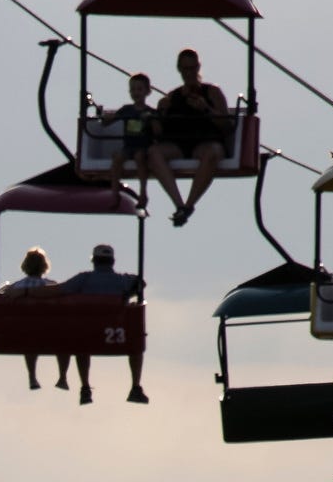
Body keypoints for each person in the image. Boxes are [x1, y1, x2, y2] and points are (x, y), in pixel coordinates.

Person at [145, 47, 238, 227]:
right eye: (185, 69)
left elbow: (226, 126)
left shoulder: (212, 92)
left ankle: (189, 204)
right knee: (153, 153)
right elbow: (158, 131)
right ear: (179, 69)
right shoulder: (172, 97)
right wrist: (159, 113)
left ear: (198, 67)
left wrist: (205, 109)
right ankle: (179, 204)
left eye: (192, 68)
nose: (189, 73)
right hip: (180, 144)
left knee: (213, 152)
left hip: (205, 143)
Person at [56, 241, 150, 404]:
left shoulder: (83, 280)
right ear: (112, 262)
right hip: (117, 336)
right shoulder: (123, 281)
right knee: (136, 341)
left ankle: (85, 386)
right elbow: (141, 283)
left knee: (80, 340)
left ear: (94, 261)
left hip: (89, 336)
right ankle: (135, 386)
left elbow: (61, 290)